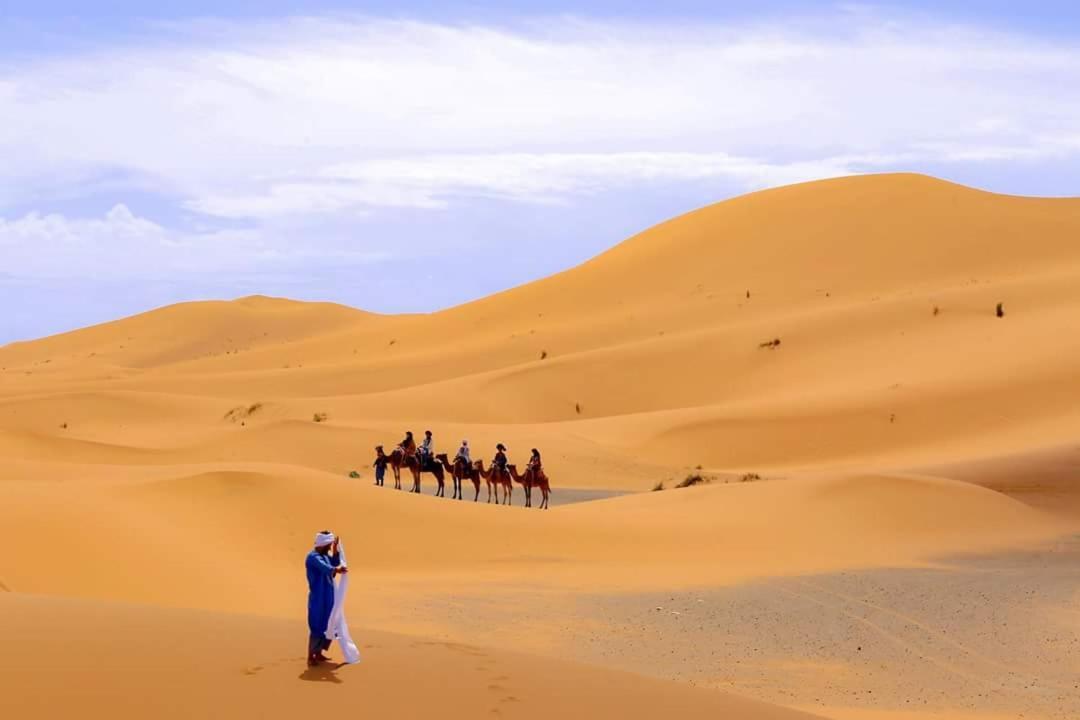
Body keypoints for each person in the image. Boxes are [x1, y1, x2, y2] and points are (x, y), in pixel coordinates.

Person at [306, 531, 346, 666]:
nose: (329, 547)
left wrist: (336, 551)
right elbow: (325, 568)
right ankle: (311, 656)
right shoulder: (313, 557)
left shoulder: (325, 556)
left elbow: (333, 562)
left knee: (328, 623)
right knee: (317, 624)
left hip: (328, 595)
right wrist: (336, 570)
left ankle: (319, 653)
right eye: (328, 545)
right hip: (318, 597)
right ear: (323, 544)